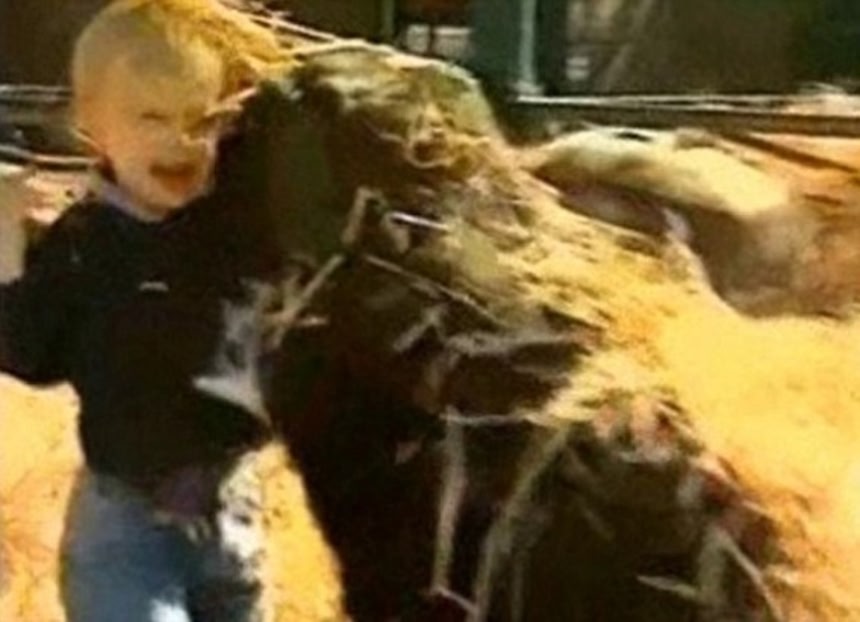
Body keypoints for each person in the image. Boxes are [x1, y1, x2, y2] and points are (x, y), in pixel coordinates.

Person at [0, 1, 290, 620]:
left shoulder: (235, 233)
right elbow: (26, 354)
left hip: (232, 516)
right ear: (91, 125)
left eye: (200, 119)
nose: (180, 139)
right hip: (127, 530)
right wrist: (6, 243)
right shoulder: (83, 243)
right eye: (152, 117)